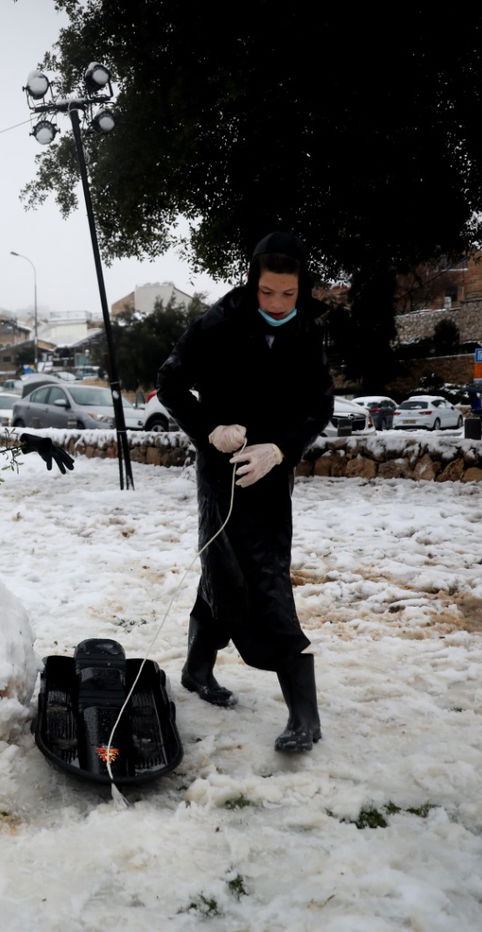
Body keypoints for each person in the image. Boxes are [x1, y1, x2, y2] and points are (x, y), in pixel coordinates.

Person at [156, 231, 334, 754]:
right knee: (223, 568)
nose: (278, 303)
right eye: (268, 291)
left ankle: (304, 713)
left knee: (266, 575)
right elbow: (169, 382)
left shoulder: (308, 330)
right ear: (252, 280)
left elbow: (319, 404)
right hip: (220, 472)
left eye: (288, 293)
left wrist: (281, 447)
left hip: (272, 475)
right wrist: (209, 428)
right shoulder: (218, 324)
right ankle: (198, 670)